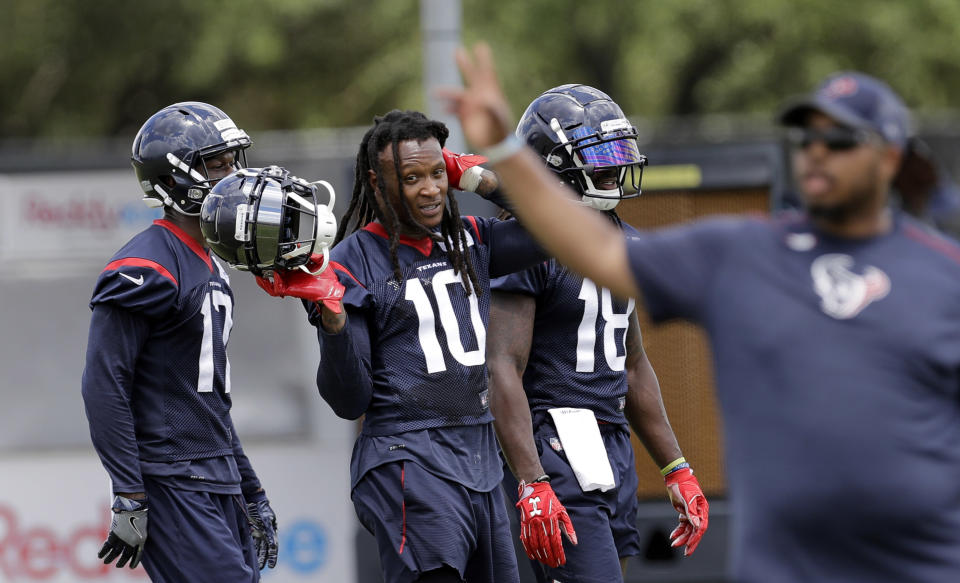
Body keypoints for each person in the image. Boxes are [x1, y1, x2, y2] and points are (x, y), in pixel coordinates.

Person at [444, 45, 960, 583]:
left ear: (890, 159)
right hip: (565, 440)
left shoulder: (943, 274)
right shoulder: (745, 251)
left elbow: (634, 361)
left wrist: (677, 467)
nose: (817, 153)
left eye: (840, 140)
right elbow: (570, 256)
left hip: (913, 549)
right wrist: (503, 153)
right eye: (807, 139)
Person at [256, 109, 568, 583]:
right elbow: (349, 400)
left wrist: (479, 177)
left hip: (479, 458)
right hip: (408, 457)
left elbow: (562, 222)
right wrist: (335, 324)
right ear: (377, 183)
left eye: (437, 173)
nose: (430, 189)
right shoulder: (352, 260)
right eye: (411, 177)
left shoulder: (471, 239)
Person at [487, 84, 708, 583]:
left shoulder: (622, 242)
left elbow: (631, 363)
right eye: (595, 156)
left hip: (611, 444)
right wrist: (531, 480)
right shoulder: (529, 246)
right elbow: (501, 366)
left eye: (615, 152)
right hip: (555, 442)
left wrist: (675, 467)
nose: (611, 167)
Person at [81, 102, 278, 582]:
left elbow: (207, 399)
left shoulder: (211, 260)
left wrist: (250, 489)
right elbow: (103, 386)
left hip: (216, 474)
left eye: (234, 162)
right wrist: (129, 492)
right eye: (217, 164)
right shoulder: (147, 263)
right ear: (174, 179)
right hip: (172, 476)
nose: (232, 175)